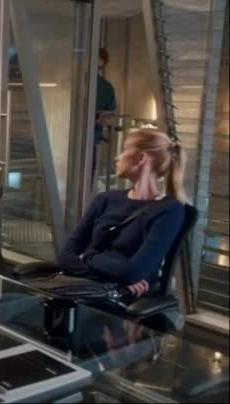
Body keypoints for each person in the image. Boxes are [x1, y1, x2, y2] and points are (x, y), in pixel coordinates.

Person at [57, 128, 187, 297]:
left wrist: (88, 256)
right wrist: (113, 279)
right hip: (85, 290)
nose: (117, 157)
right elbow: (66, 257)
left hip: (113, 300)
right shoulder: (105, 200)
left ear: (141, 158)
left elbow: (133, 272)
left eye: (124, 150)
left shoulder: (169, 210)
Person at [93, 48, 118, 182]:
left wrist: (99, 119)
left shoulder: (105, 88)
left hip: (90, 139)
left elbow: (109, 116)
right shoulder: (70, 81)